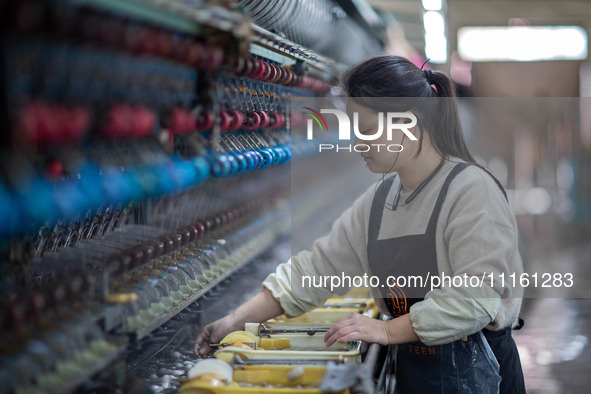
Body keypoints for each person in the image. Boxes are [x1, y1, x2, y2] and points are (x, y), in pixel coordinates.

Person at [194, 56, 526, 393]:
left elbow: (475, 299)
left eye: (367, 130)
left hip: (476, 374)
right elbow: (315, 270)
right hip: (416, 372)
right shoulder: (380, 201)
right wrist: (236, 319)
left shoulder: (471, 190)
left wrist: (384, 331)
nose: (357, 144)